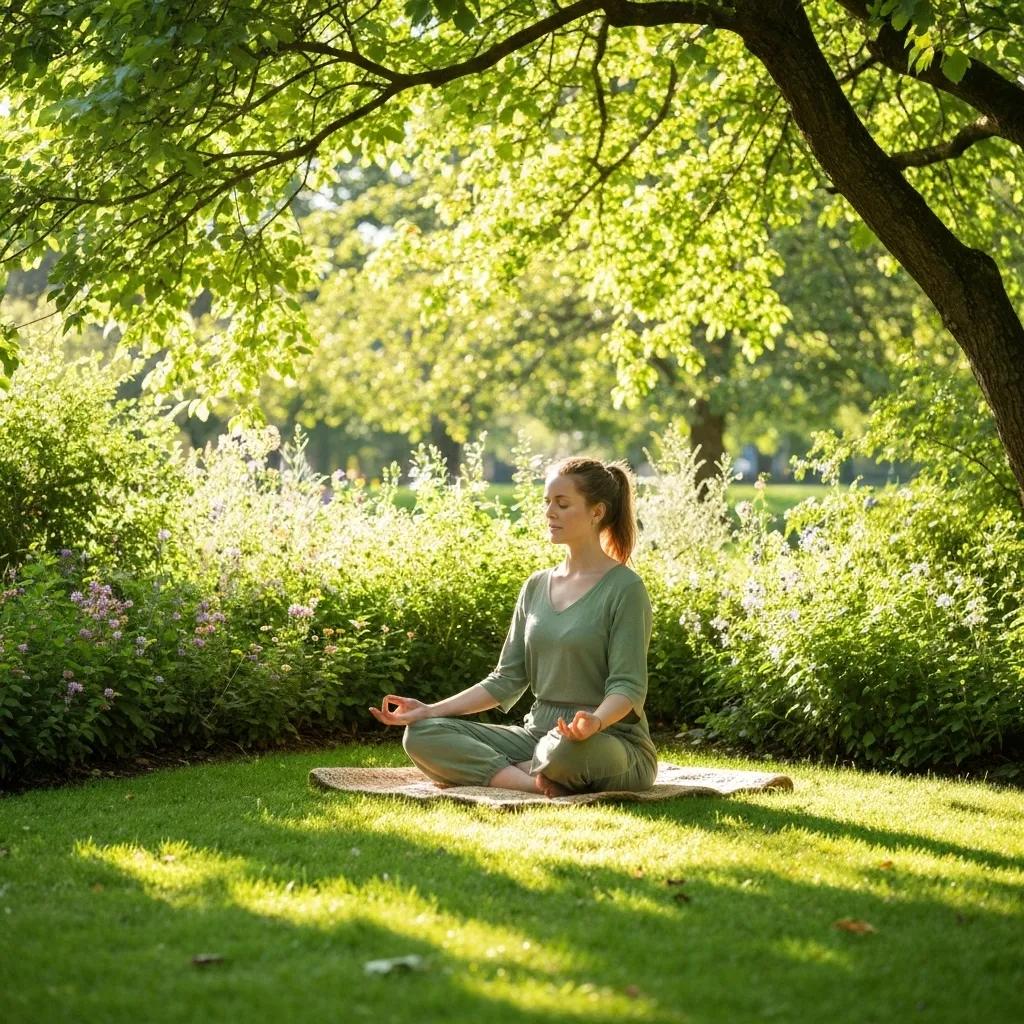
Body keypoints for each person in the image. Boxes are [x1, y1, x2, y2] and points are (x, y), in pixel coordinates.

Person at [369, 456, 658, 798]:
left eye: (562, 504)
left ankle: (520, 770)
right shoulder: (536, 586)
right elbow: (505, 679)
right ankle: (531, 783)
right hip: (537, 736)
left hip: (610, 741)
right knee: (421, 733)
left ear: (597, 512)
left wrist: (593, 722)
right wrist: (430, 710)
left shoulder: (625, 589)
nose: (550, 512)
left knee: (563, 750)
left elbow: (627, 687)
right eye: (547, 502)